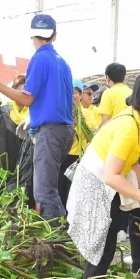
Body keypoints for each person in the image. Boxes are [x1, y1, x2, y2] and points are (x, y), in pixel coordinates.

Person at [67, 77, 140, 278]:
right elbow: (111, 176)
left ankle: (139, 270)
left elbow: (133, 162)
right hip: (95, 183)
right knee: (102, 247)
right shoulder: (128, 126)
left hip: (110, 180)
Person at [0, 14, 74, 223]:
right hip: (64, 131)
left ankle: (56, 239)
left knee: (44, 192)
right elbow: (57, 98)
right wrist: (33, 118)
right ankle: (59, 233)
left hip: (51, 132)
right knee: (50, 189)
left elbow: (26, 99)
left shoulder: (39, 58)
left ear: (32, 36)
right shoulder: (62, 62)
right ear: (54, 35)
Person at [59, 78, 96, 210]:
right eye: (68, 92)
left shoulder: (88, 114)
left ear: (80, 96)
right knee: (59, 191)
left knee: (73, 194)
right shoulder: (60, 113)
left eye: (74, 92)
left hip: (77, 160)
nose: (71, 95)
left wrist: (82, 122)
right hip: (60, 158)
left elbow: (92, 137)